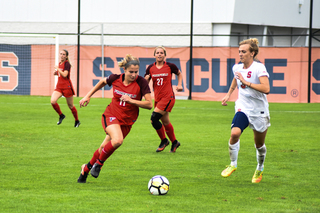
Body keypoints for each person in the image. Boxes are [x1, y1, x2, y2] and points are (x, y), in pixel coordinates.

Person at [77, 54, 152, 183]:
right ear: (124, 70)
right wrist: (87, 96)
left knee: (103, 148)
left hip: (128, 121)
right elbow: (102, 82)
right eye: (131, 72)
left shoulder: (141, 82)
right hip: (111, 115)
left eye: (136, 72)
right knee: (117, 140)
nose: (134, 75)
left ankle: (86, 169)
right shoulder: (115, 78)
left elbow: (149, 104)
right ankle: (99, 164)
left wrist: (131, 101)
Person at [221, 38, 270, 183]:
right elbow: (236, 79)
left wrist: (246, 82)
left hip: (259, 111)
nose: (240, 54)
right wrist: (229, 94)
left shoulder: (259, 68)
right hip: (243, 108)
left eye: (243, 52)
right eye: (239, 52)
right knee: (234, 133)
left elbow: (266, 89)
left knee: (259, 144)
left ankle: (260, 167)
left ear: (252, 53)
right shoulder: (237, 68)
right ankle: (233, 164)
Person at [144, 46, 183, 153]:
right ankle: (175, 142)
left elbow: (179, 73)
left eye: (161, 53)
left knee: (154, 118)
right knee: (165, 122)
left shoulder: (170, 66)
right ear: (154, 55)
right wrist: (146, 80)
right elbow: (145, 84)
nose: (159, 54)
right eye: (157, 53)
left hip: (168, 97)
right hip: (158, 98)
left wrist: (179, 84)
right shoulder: (150, 68)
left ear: (164, 55)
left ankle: (164, 140)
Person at [51, 49, 80, 127]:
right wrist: (56, 73)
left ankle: (77, 120)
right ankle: (61, 115)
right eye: (61, 54)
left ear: (66, 56)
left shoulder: (67, 64)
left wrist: (57, 69)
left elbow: (64, 75)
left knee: (70, 106)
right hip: (59, 87)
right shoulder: (59, 63)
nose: (62, 55)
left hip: (67, 87)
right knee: (53, 101)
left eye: (64, 54)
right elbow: (60, 74)